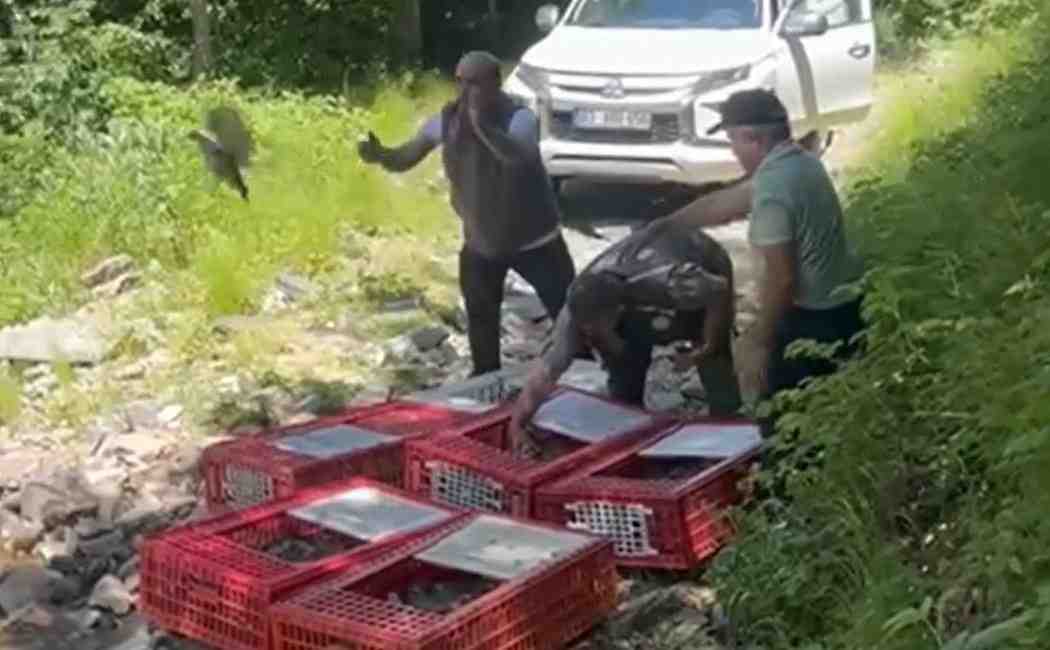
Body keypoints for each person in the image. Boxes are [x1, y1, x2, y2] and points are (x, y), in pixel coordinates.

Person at [357, 51, 575, 377]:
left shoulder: (519, 118)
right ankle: (486, 385)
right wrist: (381, 155)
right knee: (481, 324)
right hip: (481, 244)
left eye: (474, 82)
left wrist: (482, 128)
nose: (465, 90)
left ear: (495, 83)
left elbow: (518, 156)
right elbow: (407, 156)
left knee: (571, 316)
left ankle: (590, 384)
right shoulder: (448, 120)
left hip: (536, 241)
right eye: (460, 81)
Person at [667, 89, 865, 405]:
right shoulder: (801, 163)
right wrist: (665, 226)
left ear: (753, 139)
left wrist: (759, 342)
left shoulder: (774, 187)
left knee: (781, 411)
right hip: (847, 305)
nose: (733, 151)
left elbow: (782, 279)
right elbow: (725, 202)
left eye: (733, 141)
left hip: (814, 320)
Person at [509, 217, 743, 442]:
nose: (590, 332)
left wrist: (709, 343)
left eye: (597, 325)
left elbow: (718, 290)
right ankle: (630, 427)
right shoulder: (574, 310)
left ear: (618, 311)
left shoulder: (669, 282)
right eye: (586, 329)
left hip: (702, 266)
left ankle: (730, 429)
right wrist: (518, 423)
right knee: (622, 370)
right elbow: (547, 371)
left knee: (713, 360)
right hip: (634, 302)